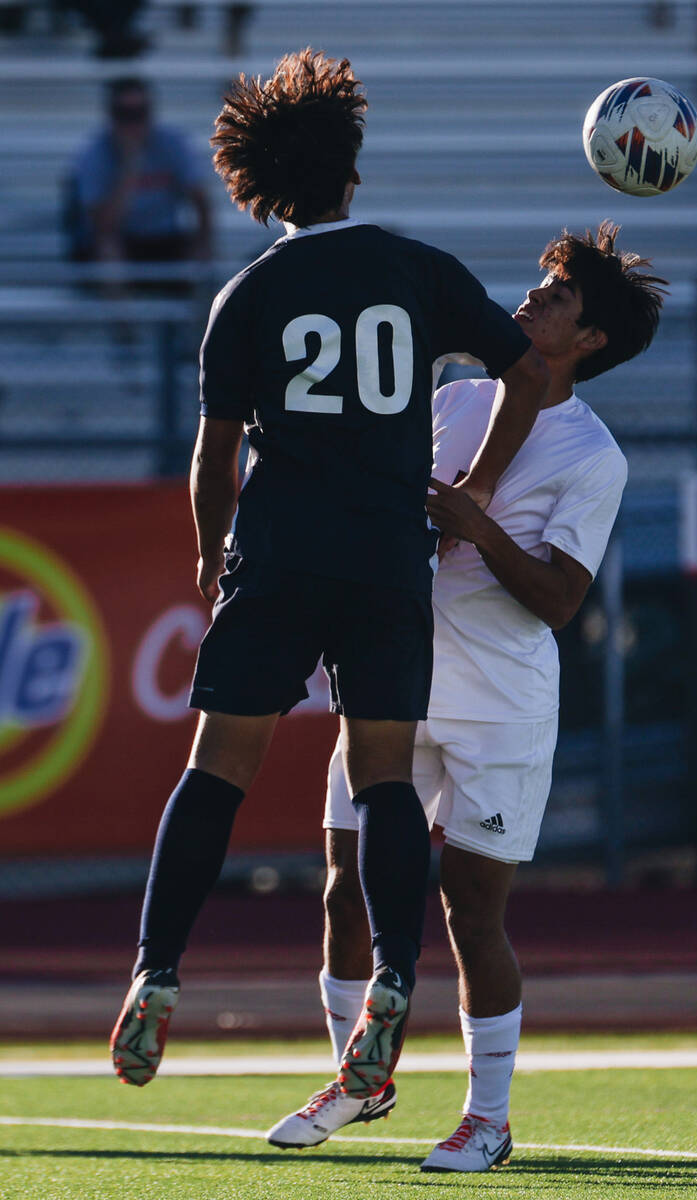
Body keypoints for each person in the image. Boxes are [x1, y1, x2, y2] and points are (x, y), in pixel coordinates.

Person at [109, 49, 548, 1093]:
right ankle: (396, 977)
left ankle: (156, 973)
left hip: (283, 548)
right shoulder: (415, 268)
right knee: (384, 779)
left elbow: (215, 458)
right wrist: (474, 491)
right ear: (352, 168)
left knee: (216, 771)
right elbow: (526, 373)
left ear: (260, 183)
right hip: (385, 556)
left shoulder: (249, 293)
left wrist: (214, 552)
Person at [266, 222, 667, 1171]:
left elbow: (560, 602)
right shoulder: (453, 397)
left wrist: (478, 527)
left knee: (467, 911)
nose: (531, 297)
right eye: (540, 284)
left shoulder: (592, 456)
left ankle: (489, 1117)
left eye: (557, 294)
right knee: (342, 887)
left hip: (499, 704)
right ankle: (360, 1080)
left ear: (591, 340)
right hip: (392, 680)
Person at [67, 77, 212, 271]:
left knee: (200, 258)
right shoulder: (94, 154)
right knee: (107, 250)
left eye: (139, 113)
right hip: (123, 240)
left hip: (165, 238)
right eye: (124, 115)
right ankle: (117, 302)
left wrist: (203, 244)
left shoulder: (173, 143)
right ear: (112, 116)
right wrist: (130, 166)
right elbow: (103, 226)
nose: (133, 124)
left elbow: (201, 200)